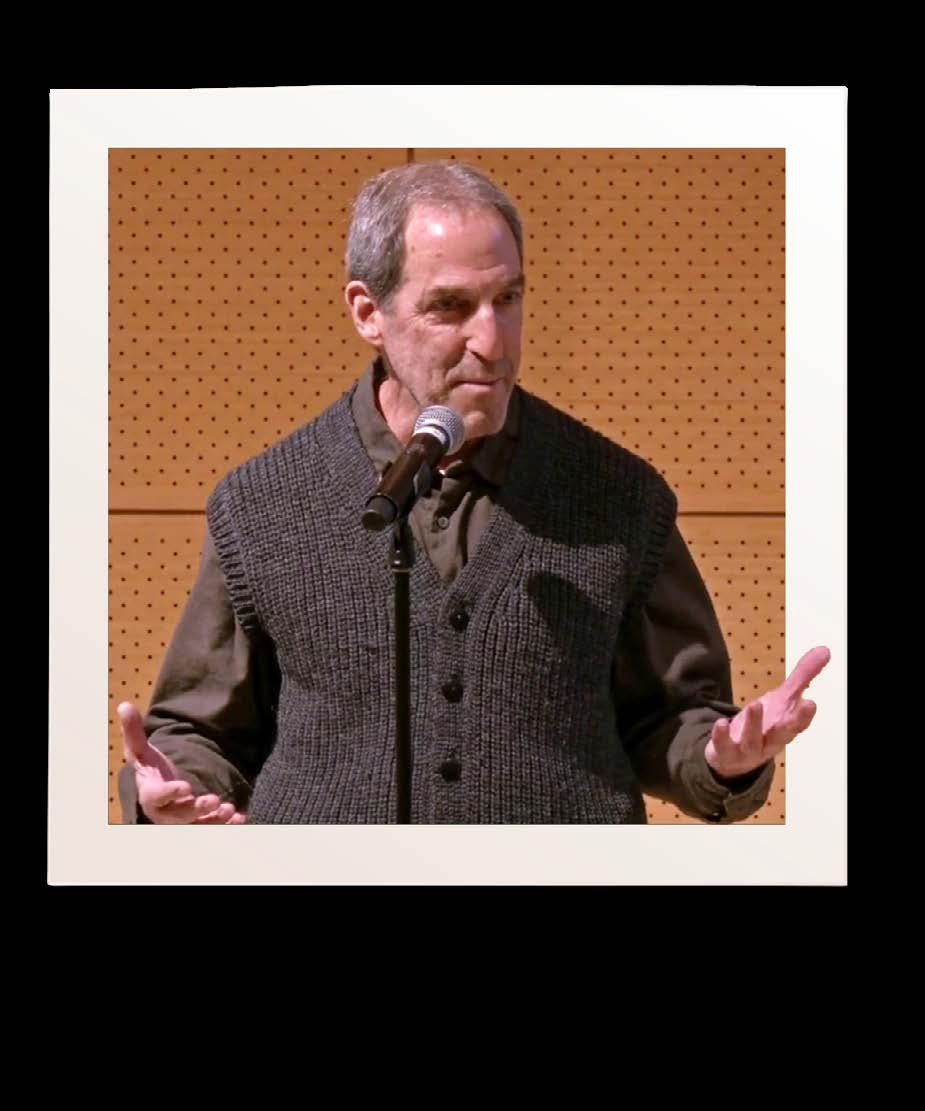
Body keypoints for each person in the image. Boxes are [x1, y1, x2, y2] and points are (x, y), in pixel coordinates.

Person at [117, 160, 829, 826]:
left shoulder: (618, 496)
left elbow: (672, 718)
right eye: (450, 307)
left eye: (507, 298)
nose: (492, 340)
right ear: (368, 312)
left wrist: (720, 759)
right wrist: (170, 790)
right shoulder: (262, 502)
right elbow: (200, 730)